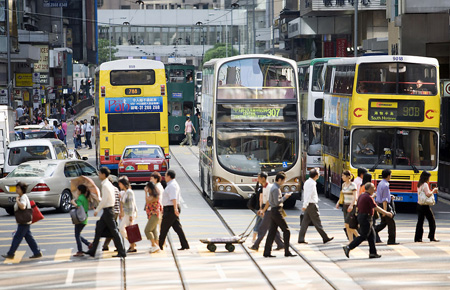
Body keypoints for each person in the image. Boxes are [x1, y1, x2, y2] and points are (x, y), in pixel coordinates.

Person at [343, 182, 393, 259]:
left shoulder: (362, 195)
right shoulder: (368, 197)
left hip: (362, 217)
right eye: (373, 188)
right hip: (366, 218)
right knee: (363, 236)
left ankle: (373, 253)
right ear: (369, 189)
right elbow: (375, 207)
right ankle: (349, 247)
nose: (375, 189)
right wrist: (386, 213)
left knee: (372, 235)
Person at [86, 167, 126, 258]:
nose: (99, 175)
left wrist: (97, 210)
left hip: (108, 210)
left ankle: (122, 251)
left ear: (104, 174)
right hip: (108, 210)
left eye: (99, 173)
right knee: (99, 230)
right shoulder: (108, 184)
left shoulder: (105, 185)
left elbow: (104, 200)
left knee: (114, 232)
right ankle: (93, 250)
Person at [1, 182, 42, 259]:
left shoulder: (23, 197)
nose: (16, 189)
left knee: (17, 237)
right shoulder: (22, 196)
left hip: (24, 221)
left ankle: (11, 254)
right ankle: (37, 252)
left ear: (22, 189)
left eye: (18, 188)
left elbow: (23, 207)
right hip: (25, 221)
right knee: (29, 237)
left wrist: (17, 201)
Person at [262, 172, 296, 258]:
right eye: (283, 181)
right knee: (286, 231)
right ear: (280, 180)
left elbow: (271, 200)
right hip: (277, 211)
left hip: (273, 211)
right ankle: (287, 251)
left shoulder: (273, 187)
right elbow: (277, 202)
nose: (283, 182)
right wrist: (285, 197)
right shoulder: (276, 189)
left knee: (272, 232)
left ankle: (267, 252)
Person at [249, 172, 284, 251]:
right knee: (272, 228)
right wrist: (261, 209)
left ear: (263, 178)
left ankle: (256, 245)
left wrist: (263, 210)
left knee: (262, 228)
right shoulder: (264, 187)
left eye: (259, 178)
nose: (258, 180)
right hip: (267, 209)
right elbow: (263, 200)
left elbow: (269, 201)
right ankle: (280, 244)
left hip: (270, 210)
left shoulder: (269, 187)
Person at [298, 168, 334, 244]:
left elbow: (306, 194)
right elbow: (308, 195)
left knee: (305, 222)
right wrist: (305, 204)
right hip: (311, 205)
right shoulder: (312, 183)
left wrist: (305, 205)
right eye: (318, 173)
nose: (320, 175)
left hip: (309, 205)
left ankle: (301, 238)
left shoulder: (307, 182)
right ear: (316, 175)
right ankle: (325, 237)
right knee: (317, 222)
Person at [159, 170, 190, 251]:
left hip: (171, 208)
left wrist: (175, 209)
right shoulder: (171, 184)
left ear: (169, 176)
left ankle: (159, 245)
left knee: (164, 228)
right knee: (177, 228)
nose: (164, 178)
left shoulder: (172, 185)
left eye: (165, 176)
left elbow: (173, 198)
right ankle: (185, 245)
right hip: (170, 208)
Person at [374, 169, 398, 245]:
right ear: (388, 176)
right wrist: (385, 211)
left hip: (380, 204)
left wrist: (390, 196)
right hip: (385, 206)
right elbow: (384, 200)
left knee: (384, 223)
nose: (390, 176)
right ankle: (391, 240)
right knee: (391, 223)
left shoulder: (380, 183)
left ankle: (373, 231)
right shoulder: (386, 185)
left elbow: (381, 195)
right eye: (390, 175)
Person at [414, 171, 439, 243]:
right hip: (424, 206)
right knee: (432, 221)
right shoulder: (425, 184)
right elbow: (428, 194)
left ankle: (418, 238)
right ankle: (431, 236)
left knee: (420, 222)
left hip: (419, 204)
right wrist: (434, 190)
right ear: (426, 178)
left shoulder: (419, 184)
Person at [335, 170, 359, 242]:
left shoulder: (353, 185)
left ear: (348, 177)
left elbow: (355, 197)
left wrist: (351, 205)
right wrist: (338, 202)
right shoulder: (344, 185)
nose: (342, 177)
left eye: (343, 176)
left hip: (351, 206)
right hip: (345, 205)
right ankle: (351, 241)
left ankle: (358, 237)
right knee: (348, 225)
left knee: (347, 225)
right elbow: (342, 195)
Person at [118, 176, 138, 253]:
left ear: (123, 184)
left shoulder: (129, 192)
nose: (119, 185)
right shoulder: (126, 192)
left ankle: (132, 245)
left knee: (123, 229)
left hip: (129, 213)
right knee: (126, 230)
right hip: (128, 213)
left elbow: (131, 205)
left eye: (120, 184)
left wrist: (131, 216)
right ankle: (132, 244)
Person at [72, 184, 91, 257]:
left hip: (80, 218)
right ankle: (88, 244)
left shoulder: (80, 198)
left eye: (77, 190)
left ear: (80, 191)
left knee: (77, 235)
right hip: (84, 218)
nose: (77, 191)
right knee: (78, 234)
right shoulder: (85, 198)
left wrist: (73, 202)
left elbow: (78, 206)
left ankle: (80, 251)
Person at [102, 178, 120, 252]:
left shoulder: (108, 189)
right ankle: (105, 245)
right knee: (111, 228)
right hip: (116, 211)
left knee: (112, 229)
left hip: (111, 211)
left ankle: (118, 245)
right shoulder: (116, 189)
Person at [144, 182, 163, 253]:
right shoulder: (152, 195)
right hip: (152, 215)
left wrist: (145, 193)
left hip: (154, 215)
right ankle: (156, 246)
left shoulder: (155, 196)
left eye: (148, 188)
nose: (147, 190)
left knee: (147, 230)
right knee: (154, 231)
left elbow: (147, 201)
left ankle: (154, 245)